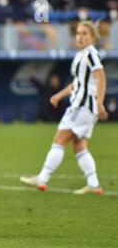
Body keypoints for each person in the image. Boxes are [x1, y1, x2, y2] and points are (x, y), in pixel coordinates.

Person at [20, 21, 108, 195]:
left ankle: (43, 178)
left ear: (92, 37)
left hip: (83, 106)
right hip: (83, 107)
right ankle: (93, 184)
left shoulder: (91, 54)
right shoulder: (80, 55)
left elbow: (101, 79)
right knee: (79, 145)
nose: (80, 37)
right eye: (78, 33)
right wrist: (59, 95)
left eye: (84, 34)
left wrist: (99, 103)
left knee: (60, 139)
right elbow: (77, 83)